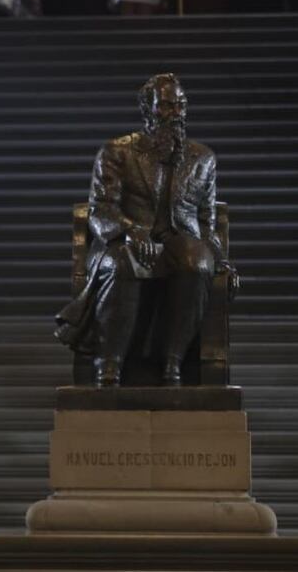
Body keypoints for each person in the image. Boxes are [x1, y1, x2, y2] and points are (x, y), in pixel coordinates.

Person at [56, 74, 240, 386]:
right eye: (167, 106)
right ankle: (109, 363)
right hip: (125, 242)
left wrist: (220, 260)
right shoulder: (117, 152)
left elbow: (207, 222)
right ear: (148, 109)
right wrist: (129, 230)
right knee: (125, 262)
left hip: (180, 241)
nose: (176, 113)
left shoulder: (203, 158)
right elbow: (101, 209)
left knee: (198, 262)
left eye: (181, 105)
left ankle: (173, 363)